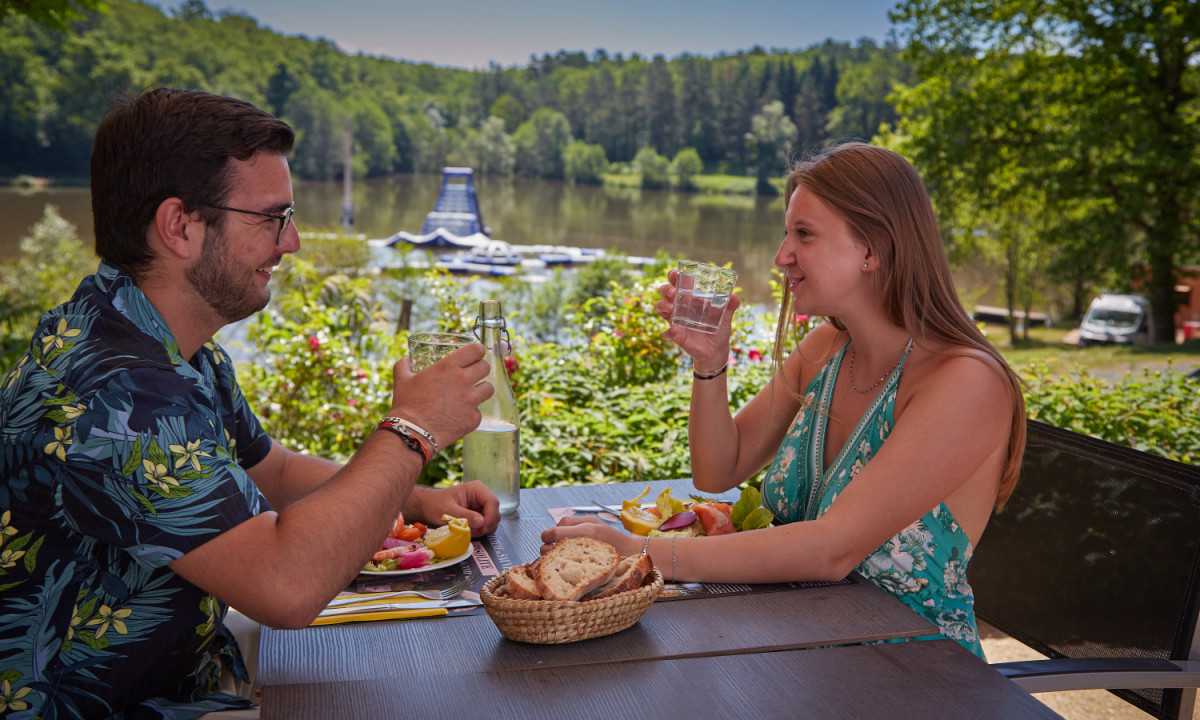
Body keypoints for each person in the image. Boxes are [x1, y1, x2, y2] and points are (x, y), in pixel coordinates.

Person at [0, 88, 500, 718]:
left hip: (187, 672)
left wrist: (418, 500)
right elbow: (286, 588)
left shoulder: (163, 343)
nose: (290, 243)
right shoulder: (117, 391)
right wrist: (412, 430)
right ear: (180, 225)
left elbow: (277, 472)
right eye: (271, 217)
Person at [542, 142, 1027, 657]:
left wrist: (638, 551)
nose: (781, 256)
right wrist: (710, 363)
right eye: (786, 233)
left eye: (805, 235)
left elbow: (830, 549)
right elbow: (718, 470)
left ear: (873, 249)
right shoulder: (827, 348)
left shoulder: (965, 383)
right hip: (797, 650)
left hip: (913, 675)